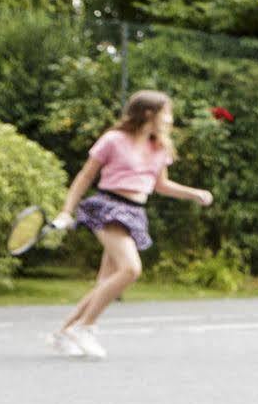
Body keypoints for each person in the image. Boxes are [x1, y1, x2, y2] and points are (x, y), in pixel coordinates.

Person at [48, 90, 213, 359]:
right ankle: (86, 327)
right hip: (108, 207)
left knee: (105, 282)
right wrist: (67, 211)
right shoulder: (113, 140)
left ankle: (64, 332)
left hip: (135, 212)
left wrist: (193, 193)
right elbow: (84, 176)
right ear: (149, 114)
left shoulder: (159, 147)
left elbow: (161, 185)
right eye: (167, 113)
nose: (170, 119)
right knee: (131, 269)